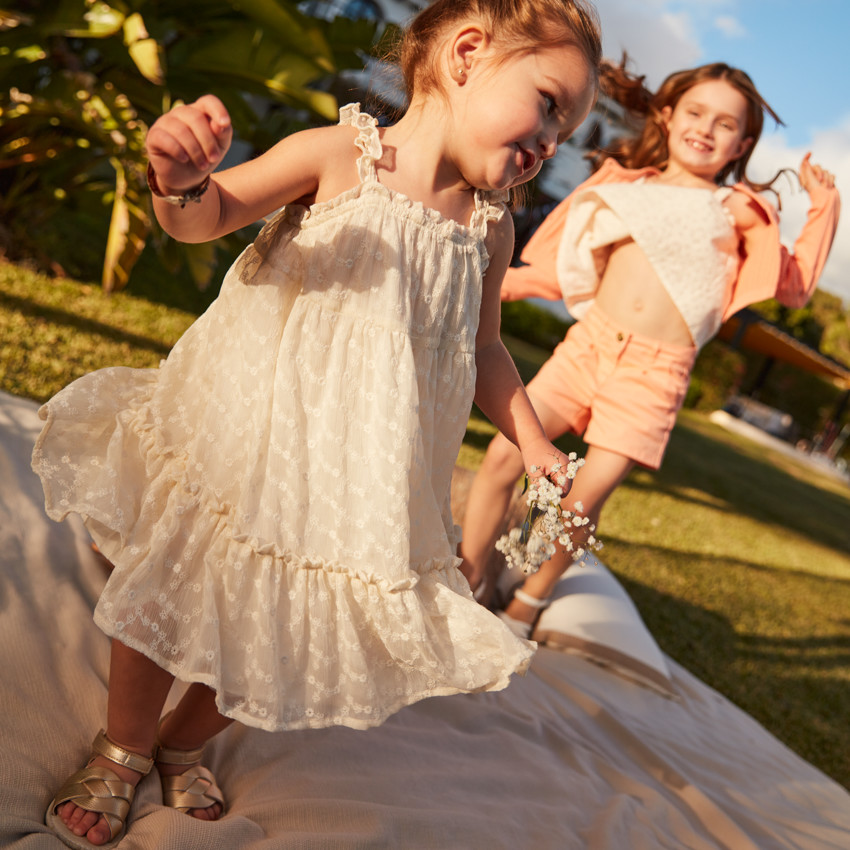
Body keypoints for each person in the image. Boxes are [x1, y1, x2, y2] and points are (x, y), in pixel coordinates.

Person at [31, 1, 602, 847]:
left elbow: (484, 352)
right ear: (468, 53)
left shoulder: (491, 228)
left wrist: (534, 438)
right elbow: (208, 214)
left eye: (567, 130)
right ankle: (124, 742)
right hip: (254, 429)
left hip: (353, 472)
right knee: (180, 571)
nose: (550, 141)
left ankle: (183, 744)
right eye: (550, 103)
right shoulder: (345, 154)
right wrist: (179, 177)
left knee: (284, 625)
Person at [459, 60, 840, 637]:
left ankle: (529, 602)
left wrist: (823, 208)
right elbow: (563, 268)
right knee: (502, 459)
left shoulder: (738, 211)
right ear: (666, 114)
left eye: (725, 124)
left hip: (655, 372)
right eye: (695, 112)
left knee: (581, 503)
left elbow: (792, 285)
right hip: (586, 347)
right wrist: (501, 284)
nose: (706, 129)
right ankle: (472, 575)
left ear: (743, 143)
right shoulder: (622, 185)